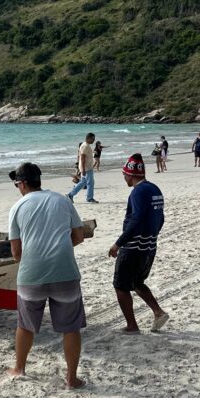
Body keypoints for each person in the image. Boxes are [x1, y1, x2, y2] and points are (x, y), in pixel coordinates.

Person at [5, 162, 86, 390]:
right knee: (70, 327)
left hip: (32, 274)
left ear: (21, 184)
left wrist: (35, 257)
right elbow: (78, 236)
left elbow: (16, 253)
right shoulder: (62, 200)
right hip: (65, 271)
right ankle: (71, 379)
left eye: (16, 184)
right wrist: (58, 248)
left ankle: (19, 368)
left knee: (26, 324)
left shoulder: (17, 207)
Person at [108, 154, 169, 333]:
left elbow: (136, 219)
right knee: (136, 282)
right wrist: (152, 236)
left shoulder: (138, 192)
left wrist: (118, 244)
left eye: (125, 175)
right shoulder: (154, 189)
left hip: (134, 247)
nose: (124, 178)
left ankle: (132, 325)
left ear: (131, 175)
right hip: (149, 246)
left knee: (120, 285)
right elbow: (161, 218)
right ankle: (158, 312)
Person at [67, 133, 98, 203]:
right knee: (90, 183)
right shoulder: (85, 146)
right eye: (93, 139)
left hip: (86, 168)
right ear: (88, 138)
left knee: (83, 182)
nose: (94, 140)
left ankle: (70, 195)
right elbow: (82, 158)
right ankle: (89, 198)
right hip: (86, 168)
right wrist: (83, 169)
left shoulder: (86, 145)